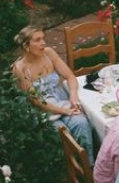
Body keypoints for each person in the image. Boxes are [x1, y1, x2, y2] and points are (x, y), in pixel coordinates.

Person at [12, 26, 94, 162]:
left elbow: (70, 76)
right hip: (42, 111)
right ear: (26, 46)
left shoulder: (49, 53)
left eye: (43, 38)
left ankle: (88, 165)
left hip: (61, 100)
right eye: (38, 40)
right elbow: (36, 101)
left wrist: (73, 96)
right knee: (62, 133)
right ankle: (69, 167)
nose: (43, 43)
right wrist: (63, 111)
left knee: (82, 124)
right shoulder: (20, 68)